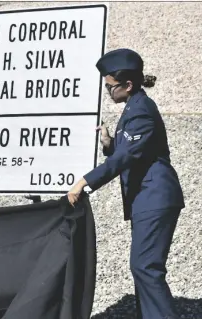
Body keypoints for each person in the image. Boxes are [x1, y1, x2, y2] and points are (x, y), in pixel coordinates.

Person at [67, 49, 185, 319]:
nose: (108, 92)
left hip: (154, 196)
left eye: (110, 87)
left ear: (128, 85)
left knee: (146, 267)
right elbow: (131, 151)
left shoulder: (141, 110)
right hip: (146, 198)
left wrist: (84, 182)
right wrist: (109, 143)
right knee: (143, 267)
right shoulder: (133, 107)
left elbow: (128, 156)